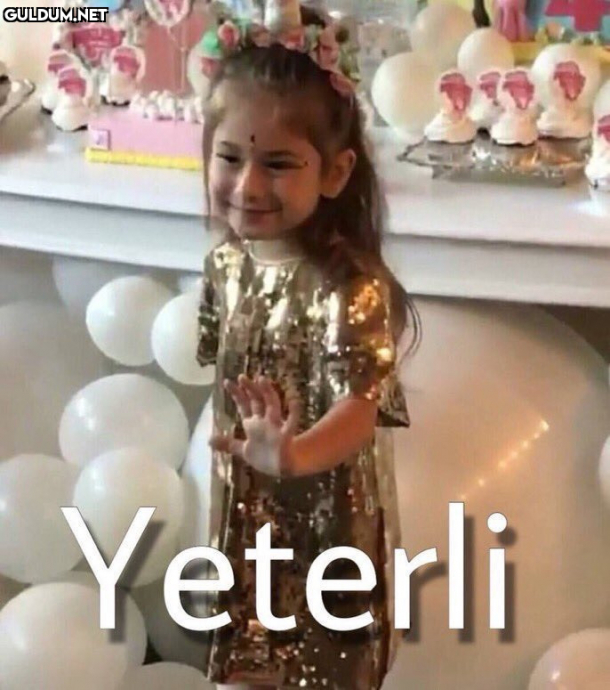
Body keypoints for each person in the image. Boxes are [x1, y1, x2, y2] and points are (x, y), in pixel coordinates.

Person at [195, 1, 419, 687]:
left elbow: (361, 409)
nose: (248, 185)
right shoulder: (224, 266)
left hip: (328, 527)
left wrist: (292, 456)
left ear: (334, 172)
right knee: (246, 659)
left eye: (278, 164)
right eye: (229, 157)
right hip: (246, 513)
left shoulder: (350, 286)